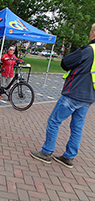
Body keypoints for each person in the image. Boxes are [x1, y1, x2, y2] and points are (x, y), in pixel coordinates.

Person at [31, 23, 95, 168]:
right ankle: (69, 157)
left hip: (74, 93)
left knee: (54, 121)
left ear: (94, 34)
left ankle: (46, 152)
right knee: (77, 127)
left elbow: (66, 63)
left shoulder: (89, 50)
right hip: (89, 97)